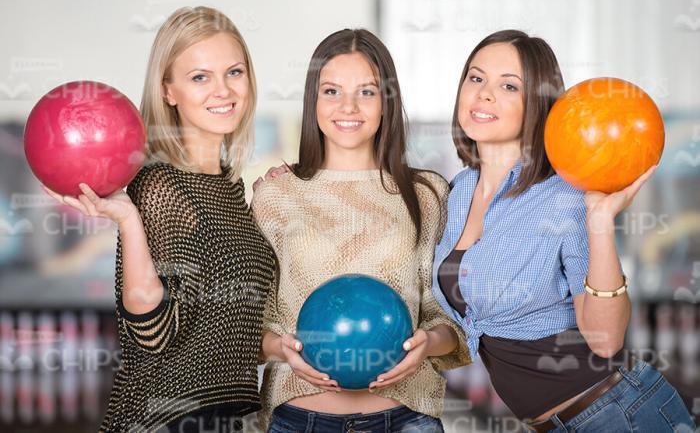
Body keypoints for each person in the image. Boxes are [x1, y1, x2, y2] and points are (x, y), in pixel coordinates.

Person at [432, 29, 695, 432]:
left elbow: (605, 340)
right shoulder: (457, 192)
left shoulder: (564, 195)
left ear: (538, 105)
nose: (484, 94)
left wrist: (600, 223)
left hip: (618, 411)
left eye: (508, 86)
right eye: (476, 77)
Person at [43, 6, 276, 432]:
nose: (223, 90)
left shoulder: (229, 188)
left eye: (234, 72)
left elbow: (230, 330)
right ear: (168, 90)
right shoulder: (160, 186)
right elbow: (154, 336)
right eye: (200, 77)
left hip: (224, 419)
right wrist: (130, 222)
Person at [251, 29, 470, 433]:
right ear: (312, 100)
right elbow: (252, 323)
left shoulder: (427, 194)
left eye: (366, 92)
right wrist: (282, 348)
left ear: (387, 102)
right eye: (331, 91)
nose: (348, 106)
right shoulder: (275, 196)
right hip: (300, 419)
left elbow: (451, 318)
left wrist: (427, 345)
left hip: (407, 420)